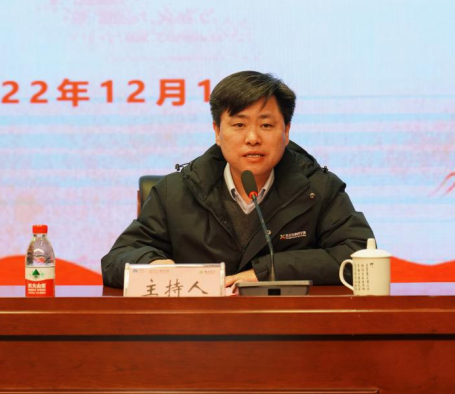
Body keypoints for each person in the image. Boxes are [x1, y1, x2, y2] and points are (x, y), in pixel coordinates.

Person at [101, 71, 374, 288]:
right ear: (217, 132)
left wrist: (265, 273)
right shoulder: (176, 192)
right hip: (198, 331)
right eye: (239, 125)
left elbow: (359, 257)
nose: (253, 138)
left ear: (287, 131)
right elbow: (116, 260)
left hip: (289, 330)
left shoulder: (317, 190)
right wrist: (153, 266)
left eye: (266, 125)